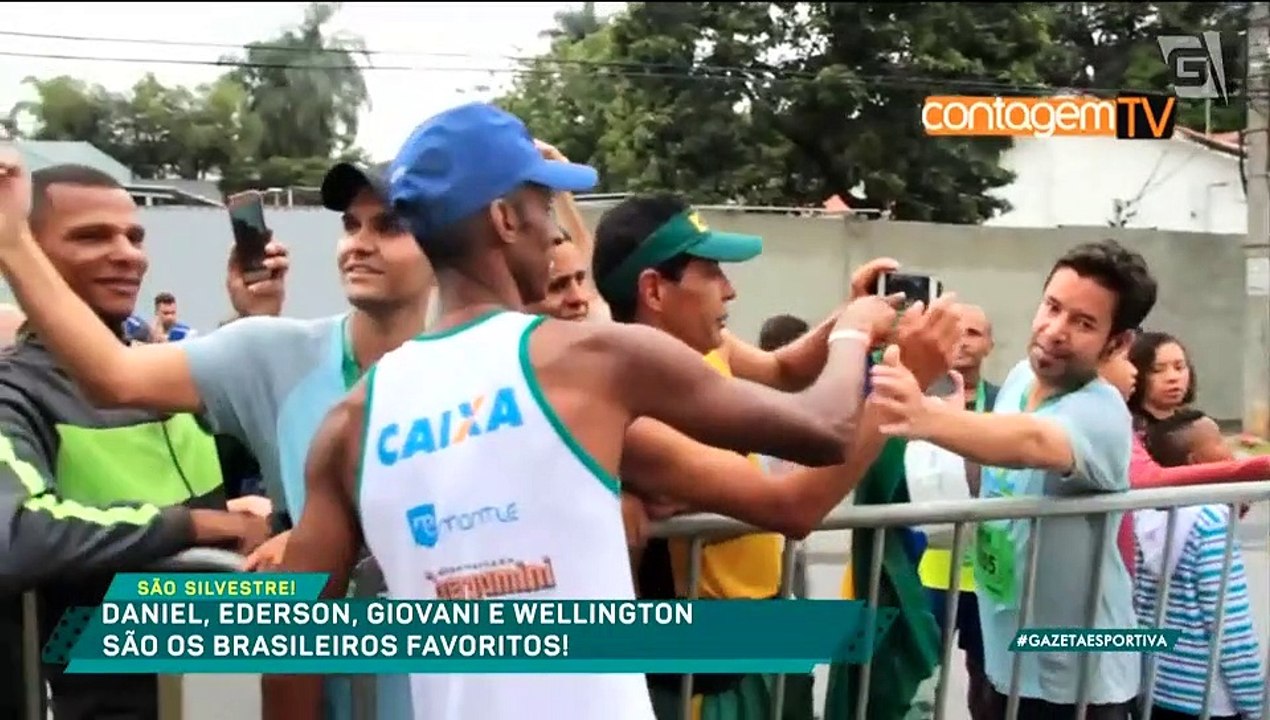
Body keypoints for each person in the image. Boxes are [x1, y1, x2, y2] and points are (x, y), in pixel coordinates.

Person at [262, 102, 903, 720]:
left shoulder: (353, 421)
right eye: (545, 207)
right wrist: (854, 334)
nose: (555, 231)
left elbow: (292, 645)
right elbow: (824, 430)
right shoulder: (593, 361)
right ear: (505, 220)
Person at [588, 192, 960, 720]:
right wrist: (901, 388)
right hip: (708, 678)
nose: (730, 288)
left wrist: (845, 317)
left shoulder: (705, 348)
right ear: (654, 290)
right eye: (712, 272)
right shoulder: (636, 407)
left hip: (762, 638)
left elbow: (784, 371)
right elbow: (793, 506)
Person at [0, 161, 272, 719]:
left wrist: (253, 329)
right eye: (92, 236)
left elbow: (256, 459)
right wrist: (196, 525)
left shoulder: (160, 369)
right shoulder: (14, 390)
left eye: (134, 235)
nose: (128, 254)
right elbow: (16, 534)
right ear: (26, 252)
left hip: (225, 685)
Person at [869, 239, 1159, 719]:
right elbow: (996, 450)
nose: (1055, 330)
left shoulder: (1101, 412)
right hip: (1005, 656)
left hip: (1077, 679)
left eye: (1083, 323)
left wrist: (924, 416)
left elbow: (1031, 443)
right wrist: (946, 423)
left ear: (1117, 343)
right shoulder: (1024, 377)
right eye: (1052, 307)